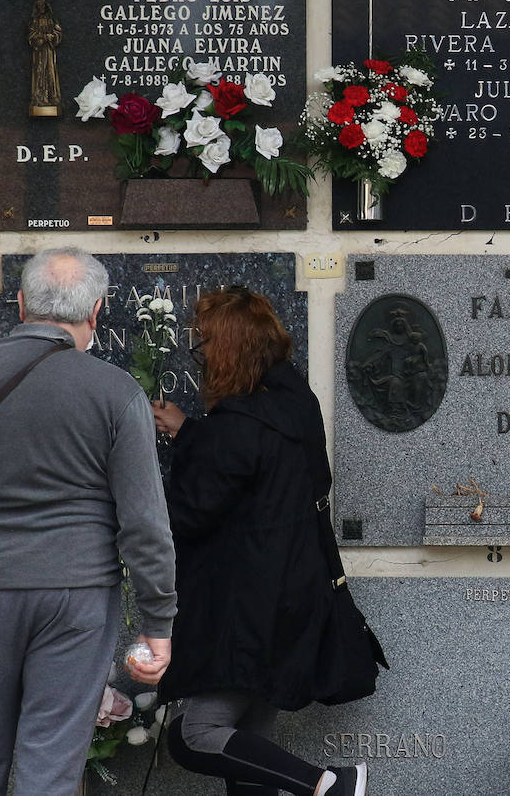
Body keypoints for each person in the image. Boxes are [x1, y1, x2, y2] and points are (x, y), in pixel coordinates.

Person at [0, 247, 175, 795]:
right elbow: (144, 523)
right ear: (96, 311)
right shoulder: (115, 391)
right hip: (75, 599)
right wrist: (158, 623)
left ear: (20, 304)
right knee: (50, 769)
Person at [150, 287, 368, 796]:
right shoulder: (295, 405)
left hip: (242, 612)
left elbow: (190, 511)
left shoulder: (236, 428)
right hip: (291, 600)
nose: (200, 359)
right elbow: (253, 476)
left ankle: (330, 785)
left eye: (203, 347)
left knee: (195, 735)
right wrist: (189, 433)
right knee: (246, 755)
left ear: (227, 350)